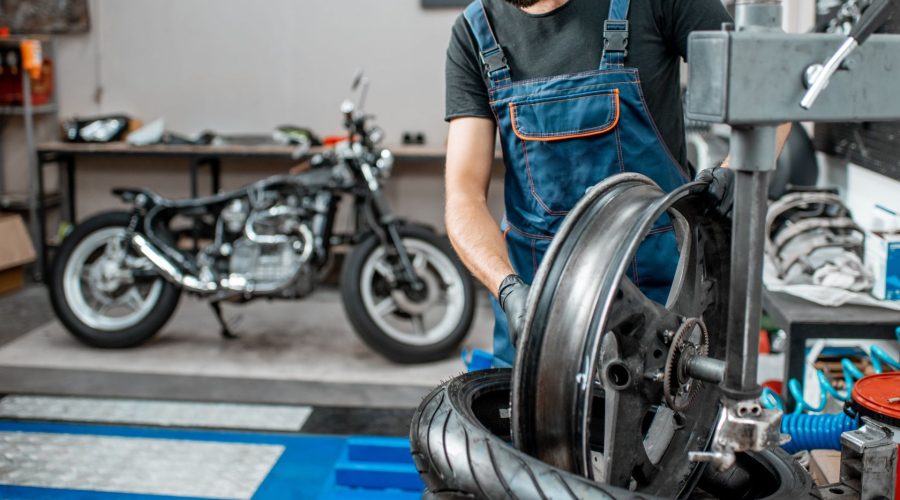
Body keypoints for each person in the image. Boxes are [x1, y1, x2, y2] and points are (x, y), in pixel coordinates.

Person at [443, 0, 791, 367]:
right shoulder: (476, 31)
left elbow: (774, 83)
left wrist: (736, 171)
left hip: (663, 305)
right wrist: (509, 289)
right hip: (539, 306)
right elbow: (463, 196)